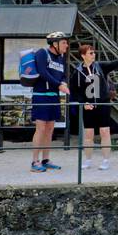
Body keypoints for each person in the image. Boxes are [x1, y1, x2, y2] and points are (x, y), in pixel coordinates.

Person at [70, 43, 118, 171]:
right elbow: (74, 90)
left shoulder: (99, 67)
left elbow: (114, 63)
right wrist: (83, 103)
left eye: (94, 52)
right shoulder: (77, 72)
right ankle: (88, 160)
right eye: (91, 53)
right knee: (88, 134)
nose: (94, 55)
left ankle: (106, 160)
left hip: (103, 103)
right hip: (89, 106)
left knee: (105, 132)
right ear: (83, 56)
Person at [30, 32, 71, 172]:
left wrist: (63, 82)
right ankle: (34, 162)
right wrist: (59, 85)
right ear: (55, 44)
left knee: (49, 130)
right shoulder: (42, 53)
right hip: (41, 95)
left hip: (54, 96)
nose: (67, 45)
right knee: (40, 129)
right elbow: (43, 72)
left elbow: (64, 74)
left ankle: (45, 159)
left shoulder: (61, 57)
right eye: (64, 42)